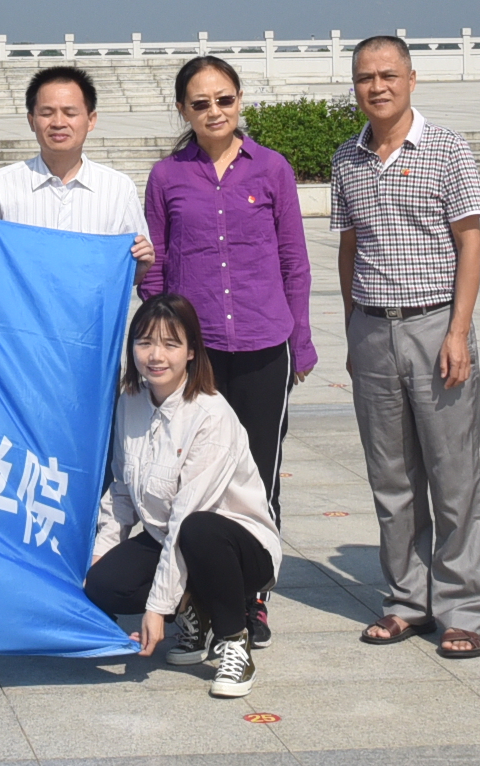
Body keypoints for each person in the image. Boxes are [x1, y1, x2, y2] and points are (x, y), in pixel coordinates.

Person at [140, 54, 314, 647]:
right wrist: (162, 345)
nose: (214, 111)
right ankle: (196, 597)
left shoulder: (271, 168)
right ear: (183, 110)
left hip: (265, 344)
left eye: (224, 99)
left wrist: (301, 342)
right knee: (191, 476)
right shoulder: (167, 177)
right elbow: (157, 268)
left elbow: (294, 260)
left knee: (257, 478)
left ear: (239, 100)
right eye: (200, 103)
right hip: (201, 353)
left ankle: (251, 598)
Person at [329, 35, 480, 659]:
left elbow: (471, 242)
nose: (377, 87)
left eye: (388, 75)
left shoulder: (446, 148)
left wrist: (458, 331)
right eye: (365, 77)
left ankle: (463, 609)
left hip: (435, 327)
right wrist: (352, 327)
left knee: (453, 477)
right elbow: (349, 248)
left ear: (411, 79)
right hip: (373, 329)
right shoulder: (347, 158)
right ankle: (407, 600)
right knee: (391, 477)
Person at [86, 293, 282, 700]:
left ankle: (234, 640)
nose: (155, 356)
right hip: (169, 537)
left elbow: (185, 519)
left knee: (199, 529)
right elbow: (121, 492)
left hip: (237, 548)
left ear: (192, 351)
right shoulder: (131, 402)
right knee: (103, 584)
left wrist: (157, 608)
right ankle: (195, 610)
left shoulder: (210, 414)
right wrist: (101, 555)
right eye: (144, 342)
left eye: (170, 344)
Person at [0, 67, 157, 278]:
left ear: (91, 120)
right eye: (46, 113)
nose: (58, 123)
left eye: (70, 113)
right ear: (31, 121)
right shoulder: (0, 185)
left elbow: (130, 271)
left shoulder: (118, 188)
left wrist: (140, 266)